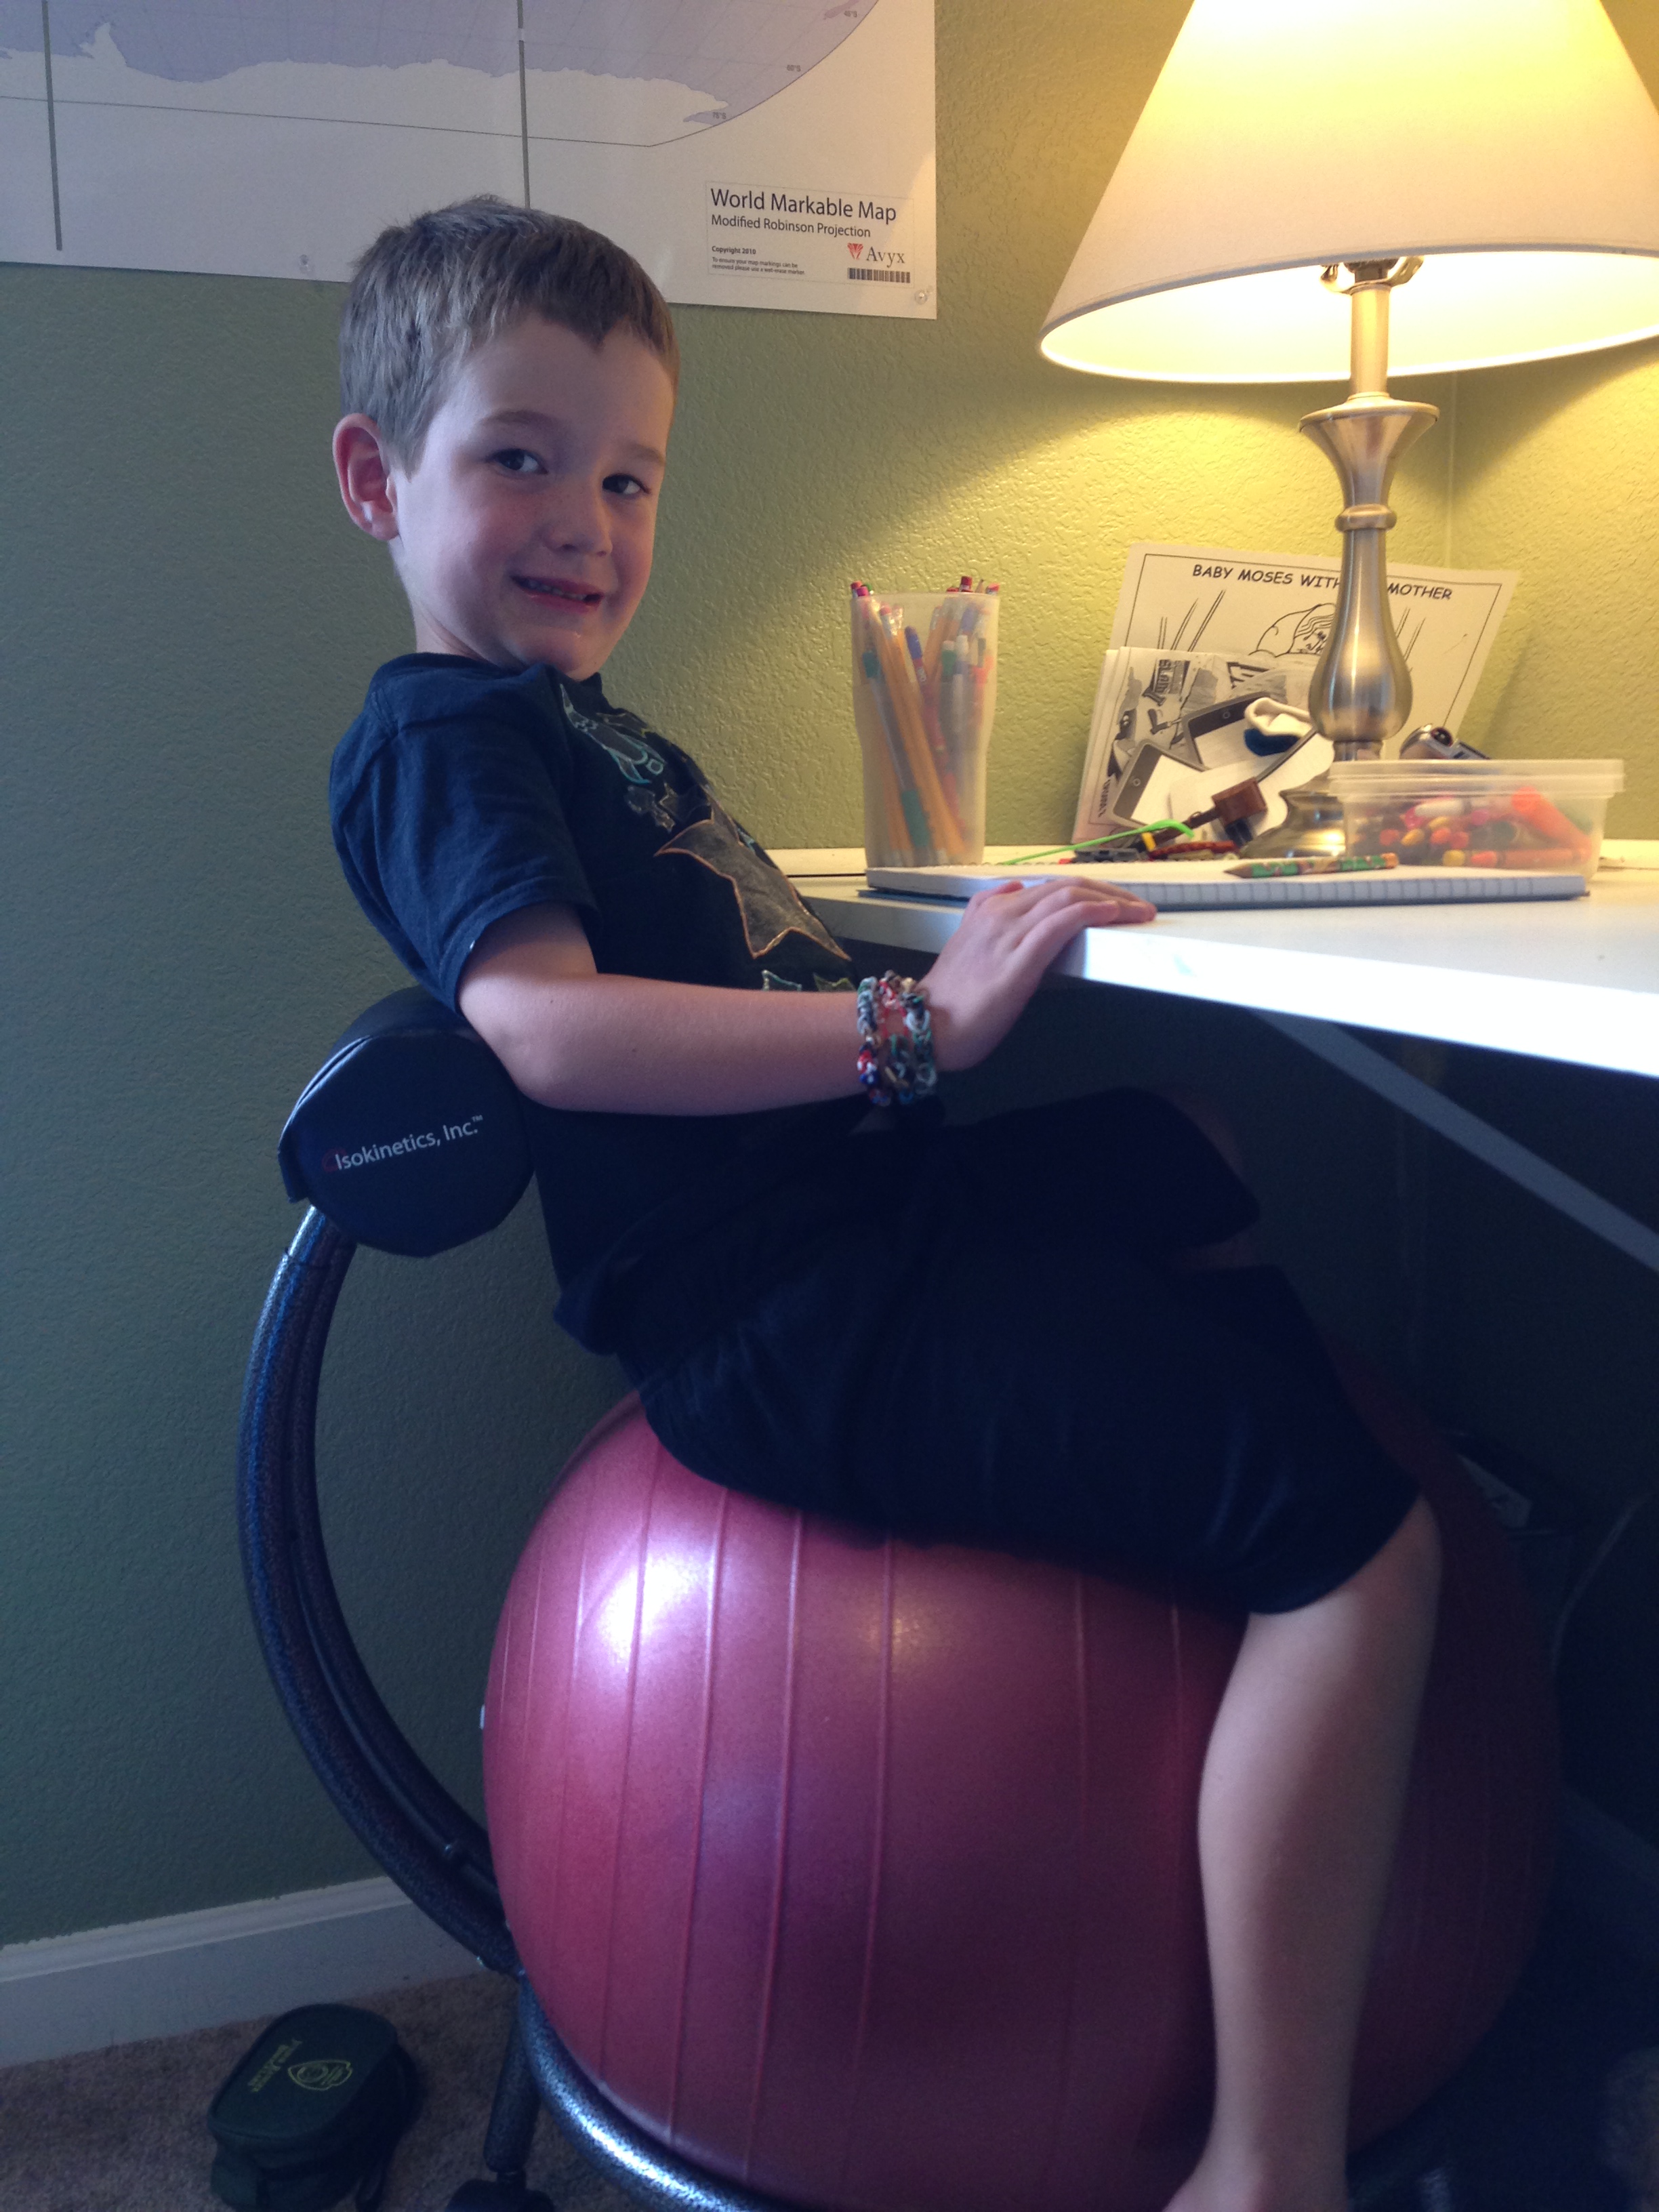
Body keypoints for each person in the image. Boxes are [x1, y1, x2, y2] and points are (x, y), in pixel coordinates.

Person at [328, 197, 1441, 2212]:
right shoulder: (443, 739)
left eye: (629, 477)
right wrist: (913, 1026)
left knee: (1191, 1136)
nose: (586, 521)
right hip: (780, 1314)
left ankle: (1222, 1537)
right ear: (375, 479)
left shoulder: (579, 725)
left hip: (860, 1226)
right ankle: (1266, 2164)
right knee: (1370, 1548)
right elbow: (549, 1031)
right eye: (521, 459)